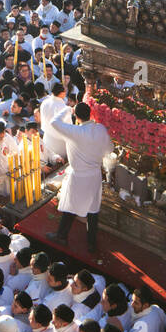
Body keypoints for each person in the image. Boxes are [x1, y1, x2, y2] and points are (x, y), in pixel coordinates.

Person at [44, 87, 113, 253]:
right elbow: (109, 150)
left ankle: (61, 235)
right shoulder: (101, 129)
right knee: (92, 209)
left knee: (71, 207)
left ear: (76, 115)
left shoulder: (75, 131)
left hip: (79, 176)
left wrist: (67, 109)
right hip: (94, 174)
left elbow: (53, 123)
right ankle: (91, 242)